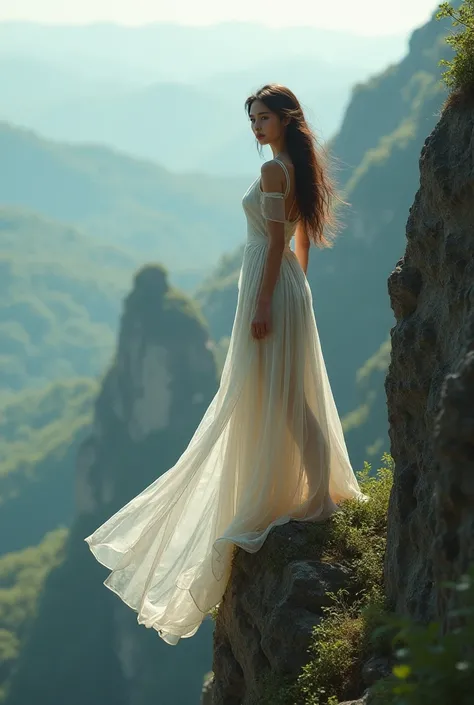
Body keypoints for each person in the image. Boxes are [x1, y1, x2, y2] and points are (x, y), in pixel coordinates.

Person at [84, 83, 367, 645]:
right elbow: (300, 241)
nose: (256, 127)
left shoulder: (273, 173)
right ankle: (318, 489)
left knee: (278, 396)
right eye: (252, 119)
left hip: (268, 290)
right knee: (286, 395)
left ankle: (317, 496)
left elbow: (281, 237)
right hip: (283, 286)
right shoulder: (294, 167)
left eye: (264, 117)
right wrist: (293, 289)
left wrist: (267, 302)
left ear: (287, 119)